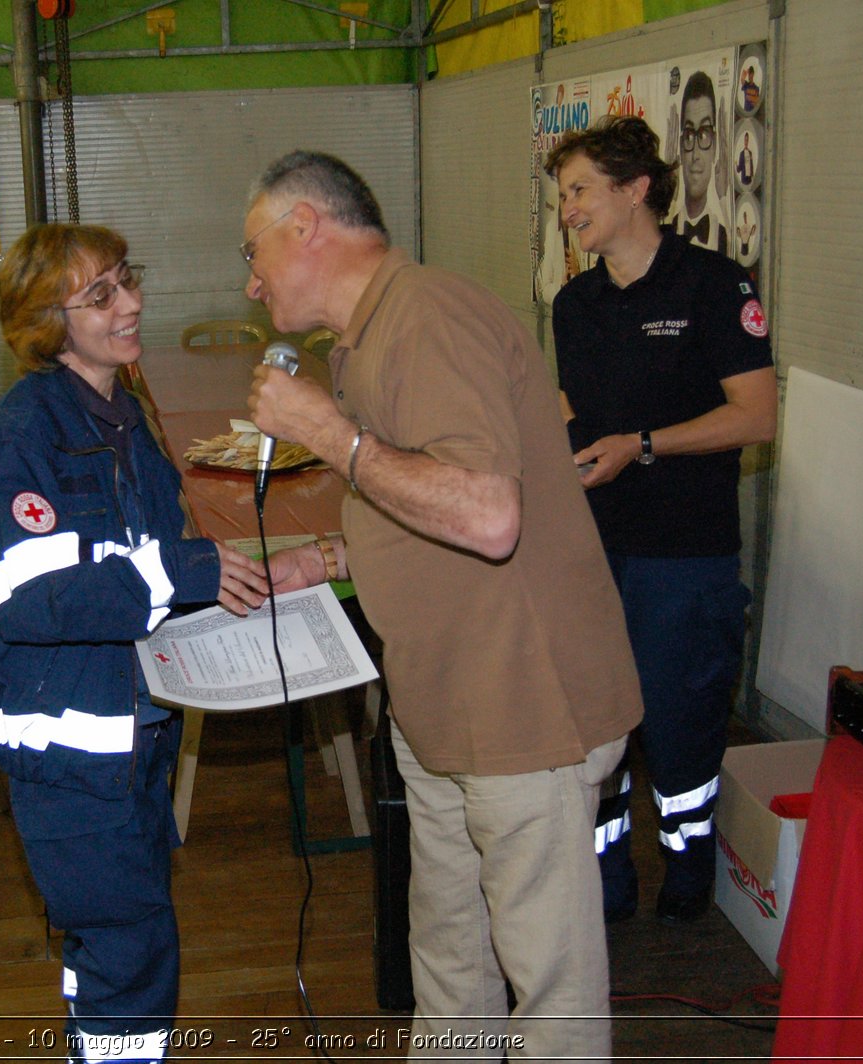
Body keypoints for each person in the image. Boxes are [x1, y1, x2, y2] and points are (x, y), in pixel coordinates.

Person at [242, 151, 642, 1061]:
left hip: (521, 709)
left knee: (551, 991)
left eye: (253, 250)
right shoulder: (367, 339)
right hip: (443, 705)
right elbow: (431, 500)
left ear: (308, 225)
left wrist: (324, 433)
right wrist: (331, 556)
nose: (252, 279)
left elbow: (490, 516)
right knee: (451, 961)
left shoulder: (427, 315)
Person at [0, 223, 269, 1063]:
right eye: (102, 296)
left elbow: (139, 560)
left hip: (132, 726)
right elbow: (37, 601)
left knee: (121, 938)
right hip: (70, 746)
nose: (134, 304)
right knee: (129, 949)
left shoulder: (121, 414)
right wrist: (186, 571)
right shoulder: (18, 443)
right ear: (49, 324)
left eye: (127, 280)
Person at [545, 116, 777, 925]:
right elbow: (574, 411)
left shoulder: (714, 285)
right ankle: (605, 881)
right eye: (562, 195)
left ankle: (689, 872)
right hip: (592, 550)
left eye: (579, 190)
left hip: (685, 553)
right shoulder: (573, 303)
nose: (567, 209)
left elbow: (756, 417)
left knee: (680, 724)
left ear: (635, 188)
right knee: (593, 721)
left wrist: (640, 445)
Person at [670, 72, 729, 254]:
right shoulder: (666, 228)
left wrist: (724, 199)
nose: (695, 154)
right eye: (688, 135)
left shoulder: (723, 233)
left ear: (715, 145)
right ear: (680, 147)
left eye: (704, 135)